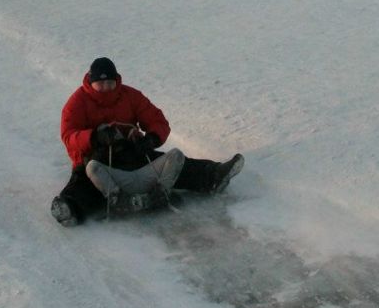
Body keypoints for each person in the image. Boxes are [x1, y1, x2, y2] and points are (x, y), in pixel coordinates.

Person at [51, 57, 244, 227]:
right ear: (90, 82)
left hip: (129, 153)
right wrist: (94, 137)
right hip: (93, 160)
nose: (106, 88)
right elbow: (69, 136)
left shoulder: (130, 96)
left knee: (172, 164)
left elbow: (157, 120)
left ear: (116, 80)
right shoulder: (77, 102)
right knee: (85, 187)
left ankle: (213, 176)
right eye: (100, 84)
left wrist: (152, 138)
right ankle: (69, 209)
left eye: (109, 83)